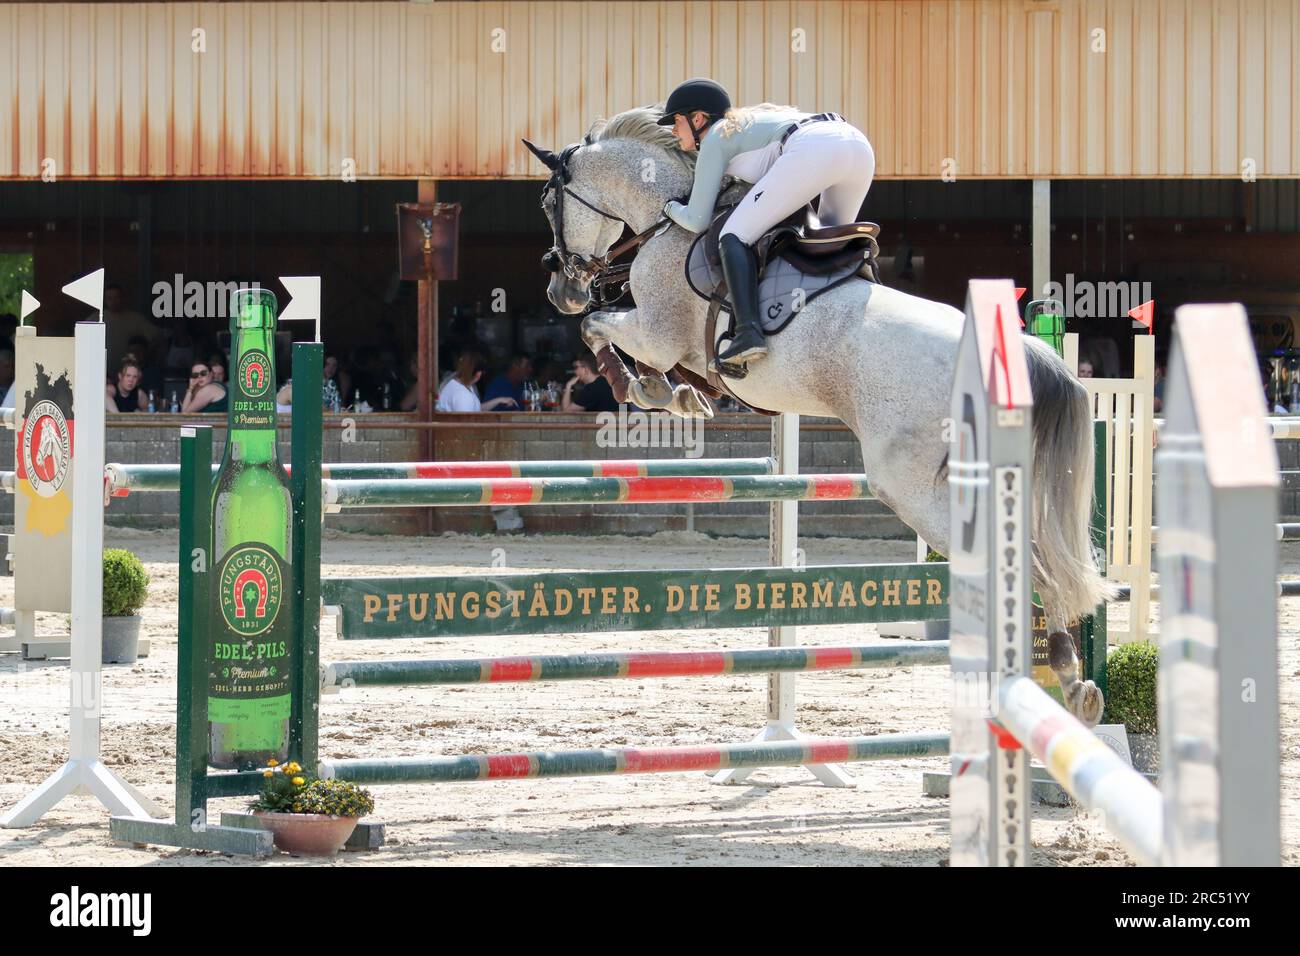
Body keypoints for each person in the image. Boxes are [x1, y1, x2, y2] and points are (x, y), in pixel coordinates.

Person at [657, 78, 875, 374]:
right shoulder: (746, 126)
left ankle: (748, 333)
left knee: (733, 235)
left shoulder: (716, 136)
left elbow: (697, 221)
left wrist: (669, 208)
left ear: (698, 119)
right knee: (829, 241)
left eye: (677, 122)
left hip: (813, 148)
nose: (673, 131)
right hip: (856, 144)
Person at [436, 349, 517, 412]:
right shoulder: (462, 395)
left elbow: (476, 409)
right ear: (478, 374)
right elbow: (466, 428)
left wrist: (500, 400)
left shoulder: (461, 385)